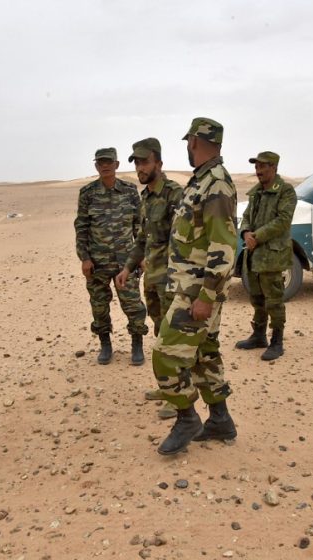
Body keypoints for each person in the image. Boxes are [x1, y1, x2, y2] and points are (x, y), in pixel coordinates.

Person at [151, 117, 238, 455]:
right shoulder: (203, 181)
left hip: (197, 292)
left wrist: (206, 296)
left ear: (195, 141)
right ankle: (220, 420)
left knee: (165, 355)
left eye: (188, 141)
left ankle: (186, 417)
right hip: (193, 288)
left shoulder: (215, 184)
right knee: (204, 356)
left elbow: (223, 247)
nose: (186, 147)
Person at [115, 138, 184, 419]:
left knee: (174, 339)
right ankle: (167, 388)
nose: (140, 168)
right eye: (136, 162)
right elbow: (142, 239)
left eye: (144, 161)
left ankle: (179, 397)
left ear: (158, 163)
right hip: (152, 279)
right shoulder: (146, 198)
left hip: (172, 279)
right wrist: (128, 268)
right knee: (159, 333)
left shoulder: (174, 194)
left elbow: (183, 240)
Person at [75, 148, 149, 365]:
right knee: (99, 306)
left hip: (126, 261)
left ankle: (137, 344)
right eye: (100, 163)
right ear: (96, 166)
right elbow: (82, 227)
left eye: (109, 162)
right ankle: (105, 344)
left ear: (116, 165)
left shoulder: (129, 191)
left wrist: (141, 256)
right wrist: (84, 258)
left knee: (133, 305)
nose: (105, 166)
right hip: (97, 263)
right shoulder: (87, 193)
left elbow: (140, 226)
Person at [235, 151, 297, 361]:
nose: (258, 171)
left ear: (274, 168)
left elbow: (283, 220)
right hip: (253, 255)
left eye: (263, 167)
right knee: (256, 297)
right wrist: (245, 232)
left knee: (274, 300)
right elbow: (245, 217)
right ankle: (259, 335)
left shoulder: (285, 191)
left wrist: (257, 236)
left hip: (271, 255)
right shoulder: (256, 193)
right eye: (256, 167)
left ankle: (277, 342)